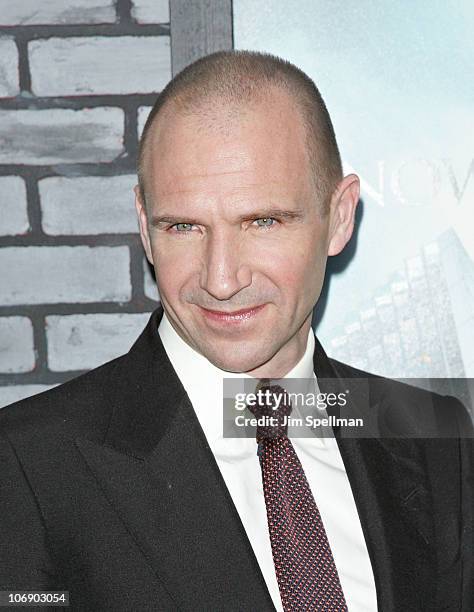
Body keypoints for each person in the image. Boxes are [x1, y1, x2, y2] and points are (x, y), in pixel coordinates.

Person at [0, 51, 472, 612]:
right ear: (145, 228)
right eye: (182, 226)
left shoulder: (433, 437)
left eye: (262, 221)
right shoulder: (27, 463)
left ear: (340, 215)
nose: (221, 280)